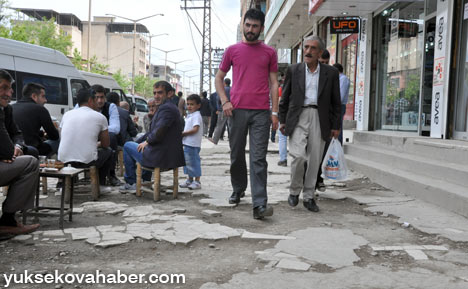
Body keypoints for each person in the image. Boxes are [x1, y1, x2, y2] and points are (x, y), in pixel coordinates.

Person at [215, 8, 279, 220]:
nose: (250, 30)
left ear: (261, 28)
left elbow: (273, 83)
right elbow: (219, 78)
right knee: (236, 154)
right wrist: (225, 101)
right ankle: (238, 188)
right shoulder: (232, 50)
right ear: (243, 24)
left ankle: (260, 204)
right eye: (248, 25)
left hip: (261, 112)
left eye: (255, 26)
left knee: (258, 158)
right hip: (236, 111)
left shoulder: (269, 52)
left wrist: (275, 112)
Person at [279, 35, 341, 213]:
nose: (308, 51)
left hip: (320, 118)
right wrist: (283, 120)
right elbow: (286, 97)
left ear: (320, 52)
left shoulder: (331, 73)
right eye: (306, 47)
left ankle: (308, 196)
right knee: (298, 156)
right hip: (298, 115)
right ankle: (294, 190)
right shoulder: (294, 70)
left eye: (312, 48)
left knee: (314, 159)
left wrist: (336, 125)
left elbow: (336, 102)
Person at [120, 81, 185, 193]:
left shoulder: (166, 109)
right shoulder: (169, 107)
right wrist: (142, 141)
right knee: (138, 145)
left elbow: (159, 132)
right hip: (166, 155)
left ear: (170, 93)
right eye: (154, 93)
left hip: (161, 157)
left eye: (160, 93)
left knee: (127, 146)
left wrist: (148, 141)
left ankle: (131, 182)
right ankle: (145, 180)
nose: (156, 96)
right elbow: (153, 131)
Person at [0, 69, 40, 237]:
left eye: (10, 88)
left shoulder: (7, 110)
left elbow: (17, 134)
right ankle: (7, 221)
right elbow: (5, 150)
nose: (9, 93)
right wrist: (9, 152)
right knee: (31, 162)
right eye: (3, 88)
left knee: (29, 151)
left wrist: (18, 147)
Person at [58, 88, 112, 191]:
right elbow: (105, 144)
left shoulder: (67, 115)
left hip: (64, 159)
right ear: (90, 101)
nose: (98, 102)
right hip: (88, 161)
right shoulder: (100, 117)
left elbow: (62, 136)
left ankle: (66, 185)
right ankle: (99, 184)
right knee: (109, 151)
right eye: (96, 99)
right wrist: (96, 144)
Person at [12, 82, 60, 157]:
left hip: (14, 150)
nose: (45, 100)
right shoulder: (40, 109)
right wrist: (55, 129)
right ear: (34, 96)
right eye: (43, 96)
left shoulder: (11, 108)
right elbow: (54, 136)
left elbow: (23, 130)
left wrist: (41, 133)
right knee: (58, 140)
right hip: (33, 151)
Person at [91, 85, 121, 186]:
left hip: (104, 136)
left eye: (102, 97)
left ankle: (111, 173)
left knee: (111, 136)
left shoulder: (110, 107)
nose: (100, 100)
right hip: (88, 136)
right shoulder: (83, 106)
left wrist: (100, 131)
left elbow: (116, 128)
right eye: (97, 97)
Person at [180, 94, 203, 190]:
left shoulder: (197, 116)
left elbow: (195, 129)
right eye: (188, 104)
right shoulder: (190, 115)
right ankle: (190, 180)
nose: (189, 106)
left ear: (198, 105)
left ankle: (197, 181)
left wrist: (183, 134)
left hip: (193, 144)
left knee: (194, 162)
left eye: (192, 104)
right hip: (188, 143)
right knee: (188, 162)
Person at [209, 78, 231, 144]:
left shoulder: (222, 90)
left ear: (224, 83)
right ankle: (232, 139)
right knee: (231, 125)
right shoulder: (232, 89)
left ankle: (215, 140)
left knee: (219, 125)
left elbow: (218, 99)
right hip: (231, 108)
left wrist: (218, 109)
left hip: (222, 109)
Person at [333, 63, 350, 144]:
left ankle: (338, 145)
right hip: (336, 105)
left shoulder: (343, 79)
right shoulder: (338, 79)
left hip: (339, 106)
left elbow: (341, 95)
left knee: (338, 126)